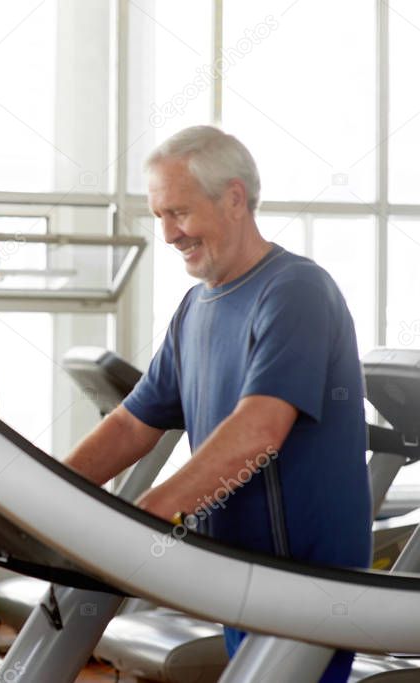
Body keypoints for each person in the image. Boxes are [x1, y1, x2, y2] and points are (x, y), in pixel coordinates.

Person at [62, 126, 371, 683]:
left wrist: (150, 515)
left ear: (233, 198)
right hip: (237, 574)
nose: (168, 233)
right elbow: (133, 423)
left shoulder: (295, 290)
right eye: (158, 216)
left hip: (303, 581)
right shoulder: (195, 308)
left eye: (178, 212)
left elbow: (258, 431)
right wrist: (48, 491)